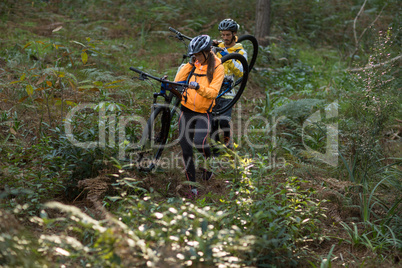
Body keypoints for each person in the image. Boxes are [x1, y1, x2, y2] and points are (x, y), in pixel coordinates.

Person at [174, 35, 225, 197]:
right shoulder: (194, 63)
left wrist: (198, 87)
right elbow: (177, 81)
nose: (194, 57)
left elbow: (213, 92)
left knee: (199, 142)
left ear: (207, 52)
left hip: (204, 112)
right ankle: (192, 188)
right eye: (193, 55)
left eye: (197, 54)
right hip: (186, 108)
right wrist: (189, 65)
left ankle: (209, 165)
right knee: (186, 148)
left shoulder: (218, 67)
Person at [211, 18, 247, 155]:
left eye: (228, 35)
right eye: (223, 34)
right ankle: (215, 150)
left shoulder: (240, 50)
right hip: (213, 89)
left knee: (224, 121)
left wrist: (229, 56)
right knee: (213, 122)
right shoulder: (218, 45)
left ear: (234, 34)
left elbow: (241, 70)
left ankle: (228, 145)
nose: (225, 37)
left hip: (228, 91)